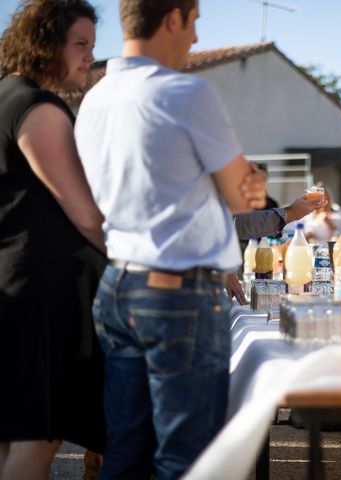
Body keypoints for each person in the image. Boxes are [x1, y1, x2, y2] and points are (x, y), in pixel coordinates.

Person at [74, 1, 267, 478]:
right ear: (174, 18)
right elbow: (245, 199)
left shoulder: (93, 100)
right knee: (188, 461)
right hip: (178, 294)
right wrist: (252, 179)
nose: (196, 38)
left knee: (125, 454)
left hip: (118, 286)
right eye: (195, 22)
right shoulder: (185, 93)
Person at [0, 1, 107, 479]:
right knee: (36, 440)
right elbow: (85, 213)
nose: (88, 57)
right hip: (37, 297)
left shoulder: (5, 96)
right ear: (45, 43)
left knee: (12, 438)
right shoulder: (37, 107)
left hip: (15, 285)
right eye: (79, 44)